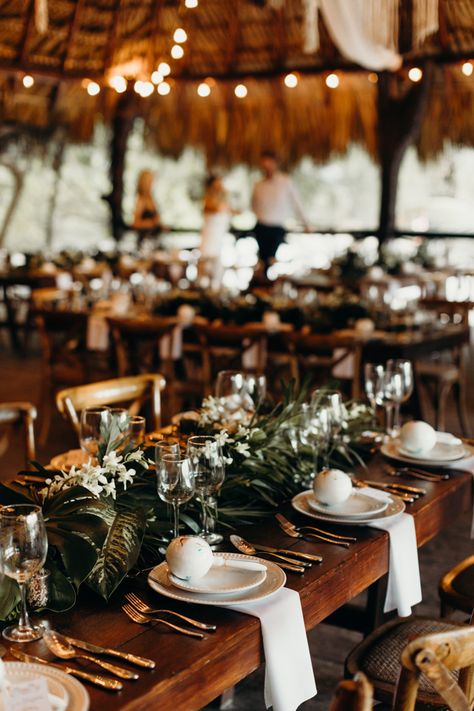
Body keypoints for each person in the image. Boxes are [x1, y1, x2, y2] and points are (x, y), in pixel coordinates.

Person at [251, 151, 311, 272]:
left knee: (271, 260)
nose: (266, 166)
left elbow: (296, 203)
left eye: (269, 162)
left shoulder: (285, 182)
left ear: (275, 163)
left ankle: (268, 284)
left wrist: (306, 223)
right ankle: (261, 284)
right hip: (261, 226)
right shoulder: (259, 184)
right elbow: (253, 204)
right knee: (262, 261)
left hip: (277, 227)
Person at [199, 175, 234, 288]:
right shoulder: (208, 202)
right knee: (205, 276)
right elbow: (216, 208)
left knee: (217, 278)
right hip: (208, 244)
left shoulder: (224, 202)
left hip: (220, 245)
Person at [132, 170, 162, 242]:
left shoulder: (151, 199)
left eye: (152, 180)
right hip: (144, 241)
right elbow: (135, 223)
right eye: (149, 180)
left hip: (153, 239)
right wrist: (149, 223)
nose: (151, 183)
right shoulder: (141, 199)